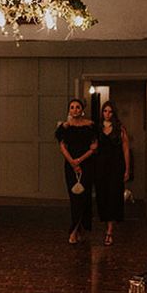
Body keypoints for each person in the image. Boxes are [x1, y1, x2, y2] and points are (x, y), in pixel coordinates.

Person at [55, 98, 98, 244]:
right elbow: (62, 147)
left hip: (87, 165)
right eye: (72, 107)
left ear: (82, 109)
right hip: (70, 165)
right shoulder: (64, 128)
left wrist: (80, 160)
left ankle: (77, 229)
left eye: (77, 107)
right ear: (69, 110)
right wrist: (72, 162)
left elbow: (94, 147)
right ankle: (75, 229)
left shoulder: (90, 125)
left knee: (84, 198)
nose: (75, 110)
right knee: (74, 198)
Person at [96, 101, 130, 246]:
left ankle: (109, 231)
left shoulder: (119, 129)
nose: (107, 114)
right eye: (105, 111)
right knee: (102, 196)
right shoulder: (97, 128)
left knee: (113, 197)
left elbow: (126, 149)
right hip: (101, 167)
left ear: (113, 113)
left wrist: (127, 169)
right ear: (102, 112)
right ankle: (106, 226)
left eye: (110, 111)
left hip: (116, 166)